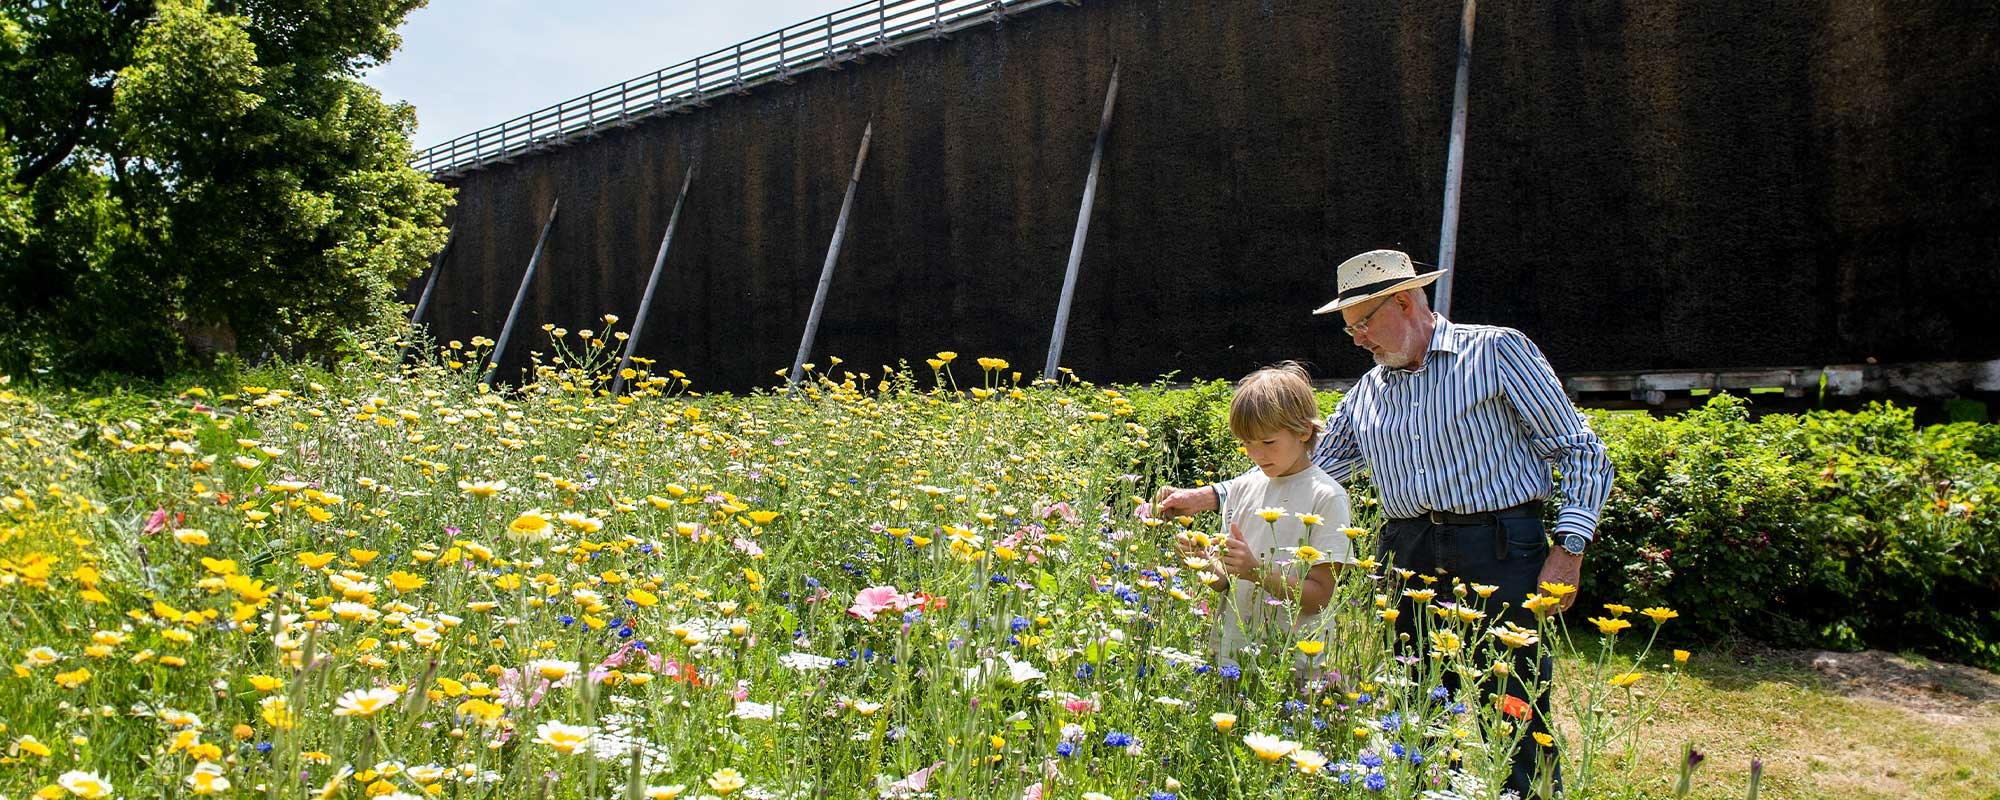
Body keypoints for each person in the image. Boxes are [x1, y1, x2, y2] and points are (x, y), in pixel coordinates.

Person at [1153, 249, 1613, 798]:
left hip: (1500, 544)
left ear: (1403, 301)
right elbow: (1303, 468)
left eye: (1362, 323)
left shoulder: (1495, 351)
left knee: (1513, 695)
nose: (1357, 339)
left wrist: (1569, 548)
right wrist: (1206, 496)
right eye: (1349, 329)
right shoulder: (1368, 392)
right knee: (1417, 699)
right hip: (1410, 549)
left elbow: (1582, 451)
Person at [1173, 361, 1355, 674]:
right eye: (1246, 444)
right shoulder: (1243, 488)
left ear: (1304, 431)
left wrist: (1256, 571)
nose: (1257, 454)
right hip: (1232, 656)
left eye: (1268, 442)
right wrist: (1202, 562)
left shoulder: (1327, 497)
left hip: (1290, 664)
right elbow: (1225, 582)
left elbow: (1320, 598)